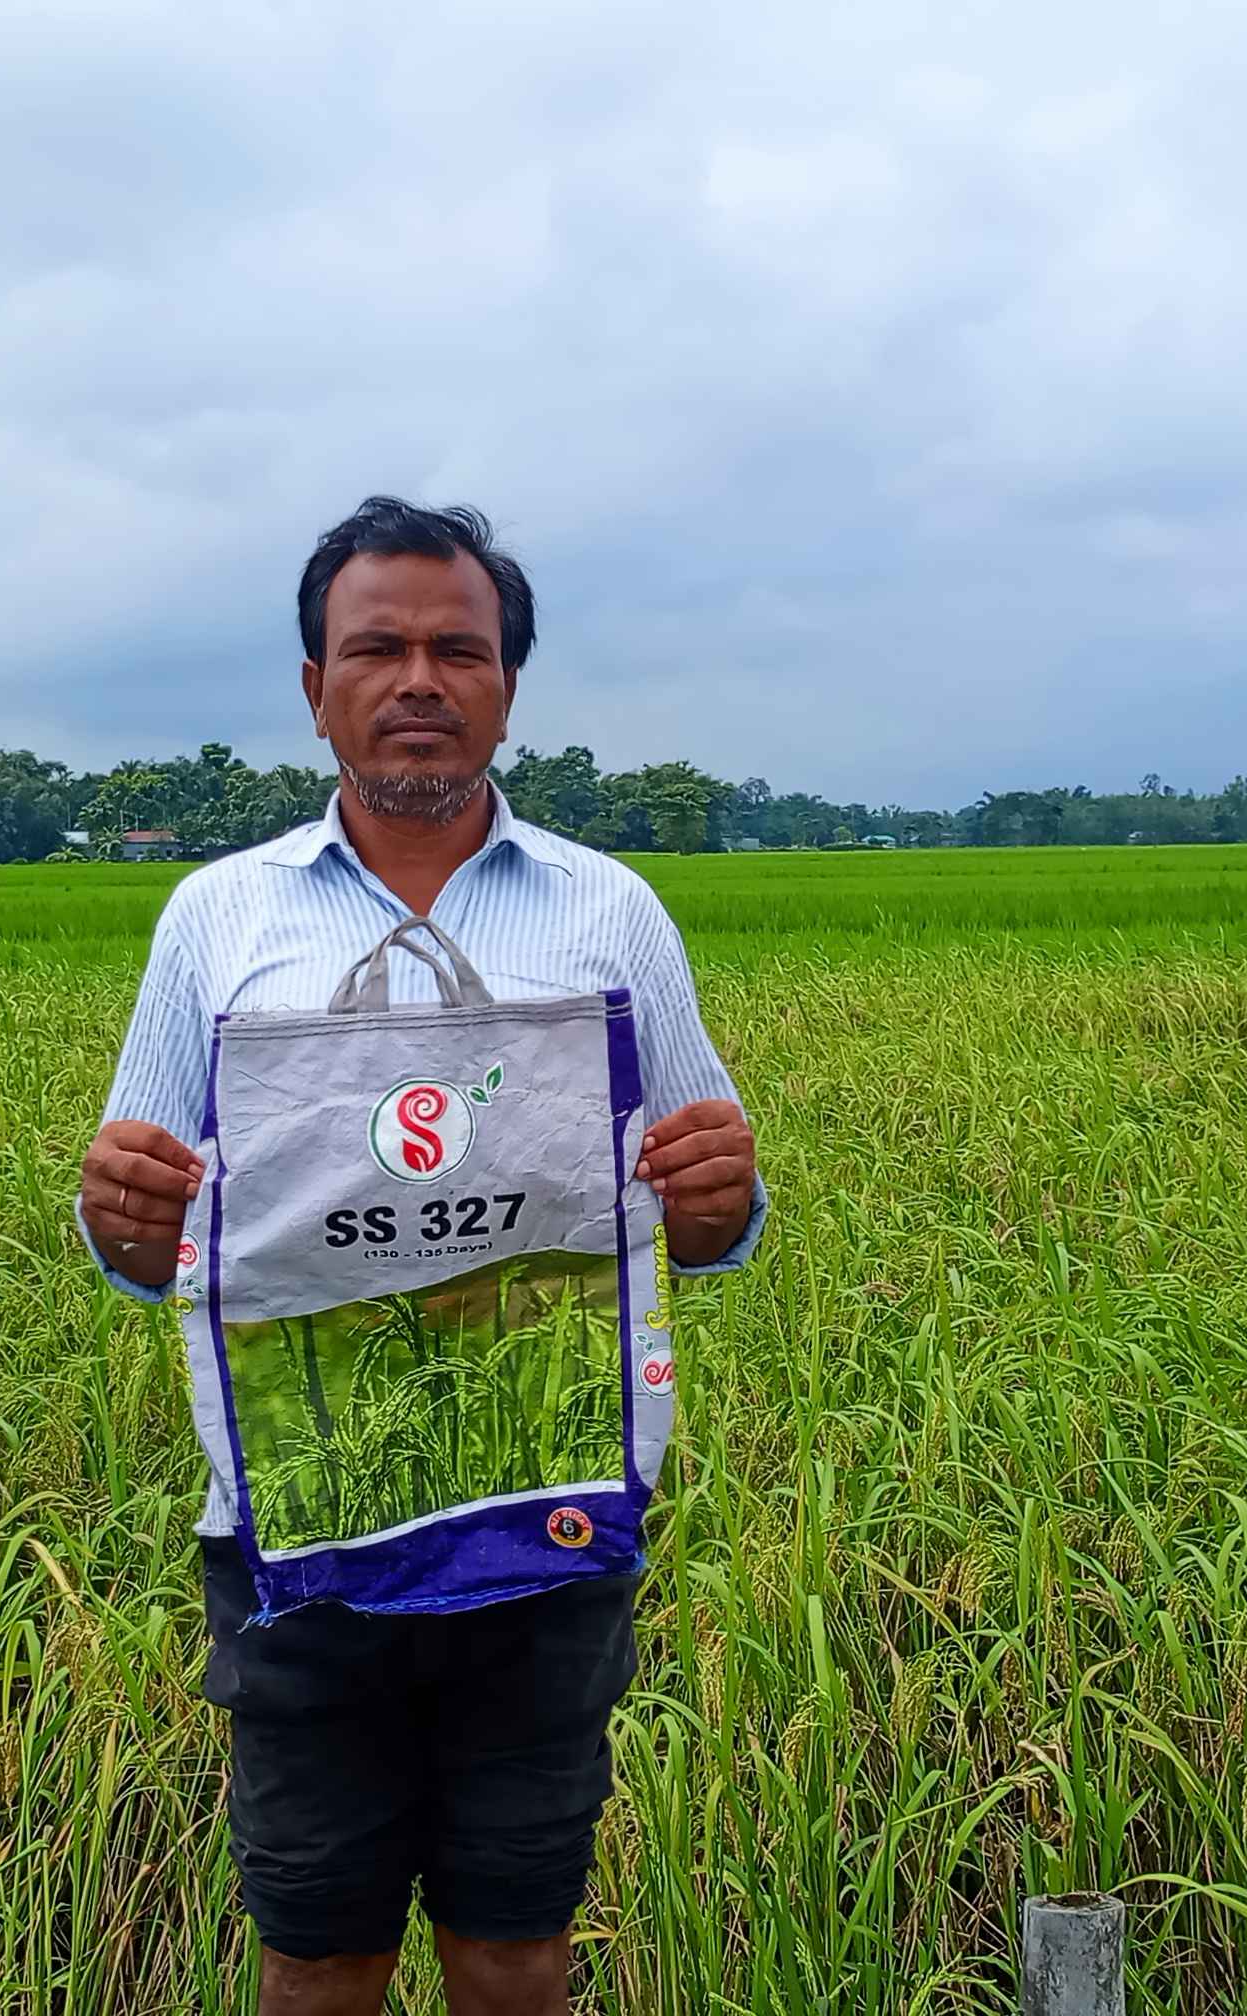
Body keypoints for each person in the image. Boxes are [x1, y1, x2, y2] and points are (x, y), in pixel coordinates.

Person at [78, 497, 767, 2013]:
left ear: (507, 687)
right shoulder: (217, 917)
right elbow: (145, 1240)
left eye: (458, 650)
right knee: (317, 1950)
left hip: (542, 1521)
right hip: (300, 1535)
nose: (417, 679)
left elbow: (708, 1221)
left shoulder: (609, 911)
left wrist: (722, 1193)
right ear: (314, 686)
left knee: (515, 1941)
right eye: (374, 648)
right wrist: (119, 1217)